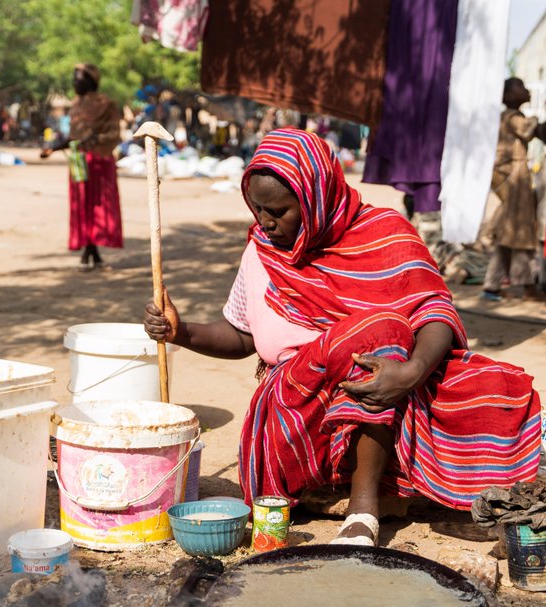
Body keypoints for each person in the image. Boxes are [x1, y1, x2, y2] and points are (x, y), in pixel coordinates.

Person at [144, 128, 542, 547]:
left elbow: (435, 311)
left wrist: (412, 372)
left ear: (315, 197)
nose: (264, 221)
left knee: (487, 385)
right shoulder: (263, 250)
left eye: (278, 210)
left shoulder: (385, 232)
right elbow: (242, 337)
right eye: (257, 208)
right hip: (295, 416)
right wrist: (180, 331)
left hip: (387, 392)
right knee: (380, 330)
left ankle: (376, 487)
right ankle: (363, 509)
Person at [41, 63, 122, 271]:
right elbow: (74, 137)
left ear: (91, 81)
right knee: (82, 204)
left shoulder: (108, 105)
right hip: (79, 162)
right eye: (73, 79)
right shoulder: (75, 105)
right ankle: (89, 249)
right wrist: (53, 148)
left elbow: (115, 135)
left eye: (79, 79)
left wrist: (94, 140)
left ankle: (92, 250)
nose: (74, 83)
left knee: (98, 205)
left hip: (100, 162)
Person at [481, 78, 546, 302]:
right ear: (508, 94)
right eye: (520, 86)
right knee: (521, 230)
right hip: (514, 177)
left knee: (508, 232)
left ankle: (492, 283)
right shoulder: (512, 117)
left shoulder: (507, 117)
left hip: (510, 175)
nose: (526, 90)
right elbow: (534, 131)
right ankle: (527, 285)